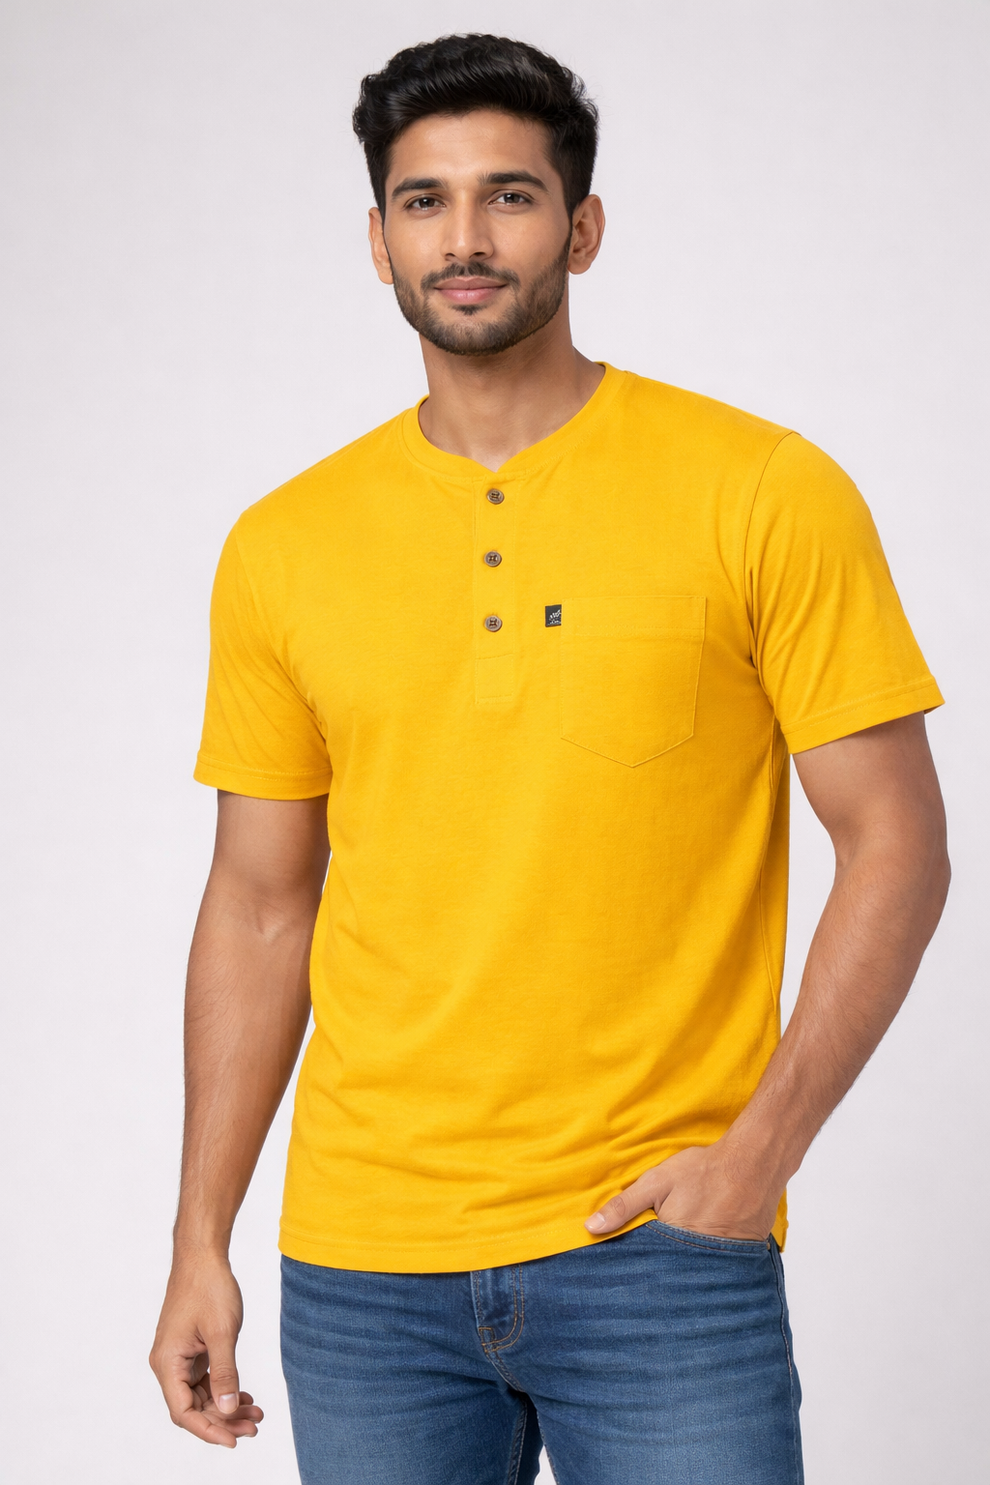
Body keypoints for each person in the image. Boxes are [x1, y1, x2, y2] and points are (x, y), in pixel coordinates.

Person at [150, 34, 949, 1485]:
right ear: (378, 241)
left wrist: (758, 1157)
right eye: (424, 201)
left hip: (659, 1251)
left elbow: (896, 843)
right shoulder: (283, 546)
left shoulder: (760, 490)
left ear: (581, 229)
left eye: (508, 196)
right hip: (364, 1270)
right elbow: (261, 904)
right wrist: (199, 1236)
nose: (463, 238)